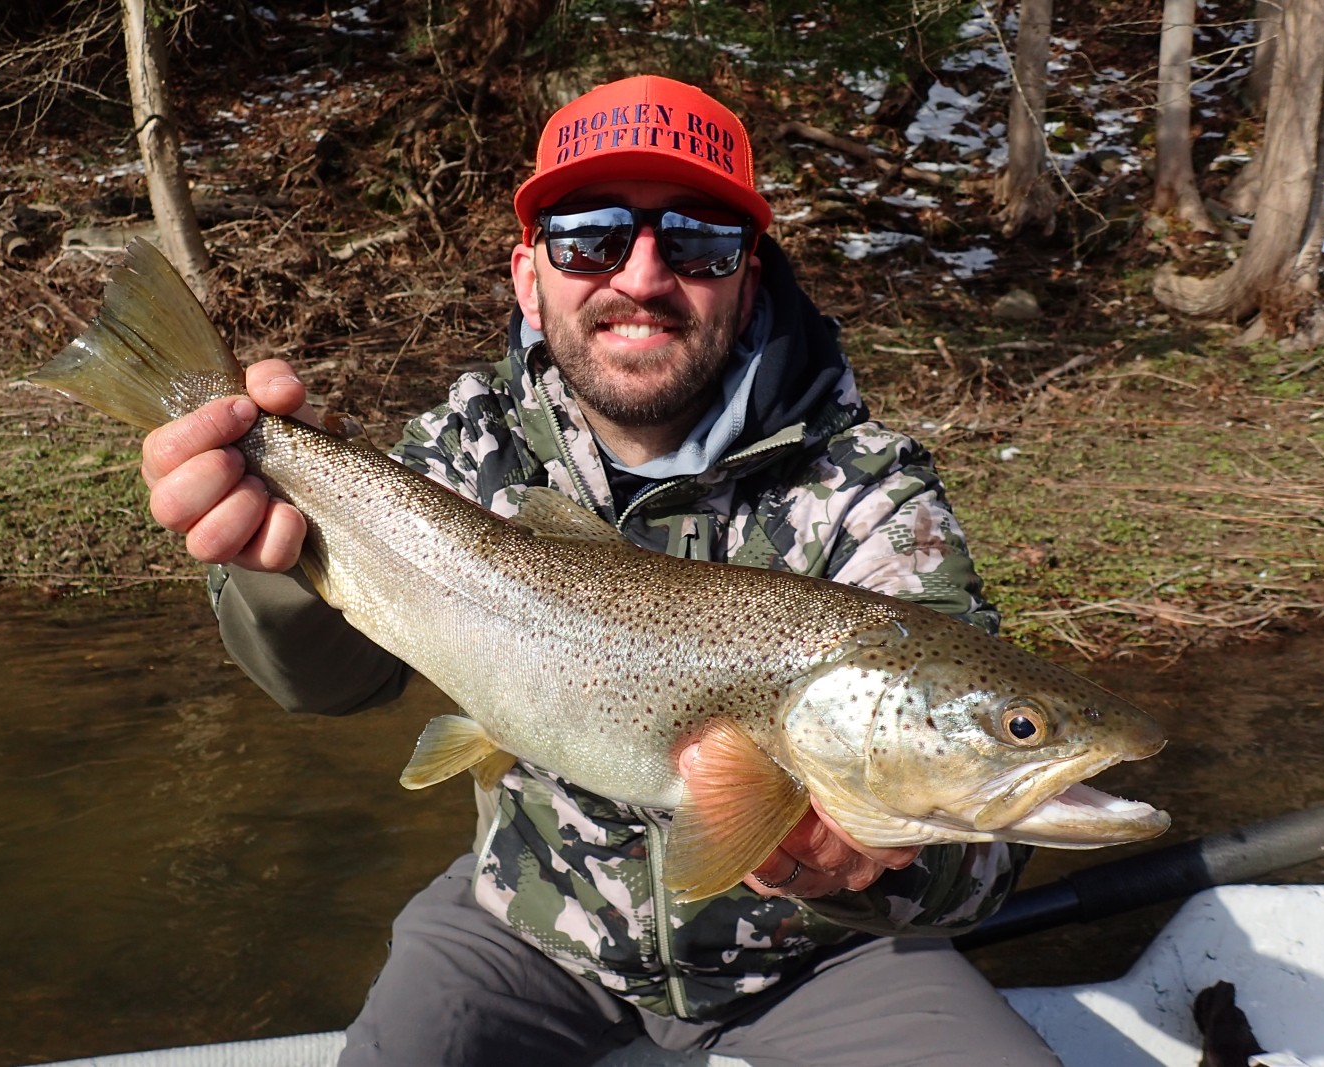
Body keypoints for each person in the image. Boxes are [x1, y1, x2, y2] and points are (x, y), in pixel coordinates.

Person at [139, 75, 1061, 1066]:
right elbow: (331, 683)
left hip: (816, 955)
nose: (643, 275)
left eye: (699, 242)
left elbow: (990, 850)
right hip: (527, 918)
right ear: (529, 275)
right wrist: (268, 554)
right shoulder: (464, 453)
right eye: (590, 237)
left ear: (748, 275)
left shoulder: (868, 492)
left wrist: (876, 869)